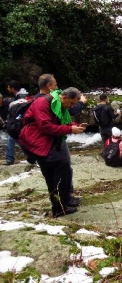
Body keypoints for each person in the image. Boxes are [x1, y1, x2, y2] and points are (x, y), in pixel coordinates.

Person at [18, 87, 87, 218]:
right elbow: (45, 126)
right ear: (64, 97)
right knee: (58, 168)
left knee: (60, 169)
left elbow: (64, 120)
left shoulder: (60, 104)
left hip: (48, 140)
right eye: (72, 103)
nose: (71, 107)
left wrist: (74, 125)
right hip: (36, 141)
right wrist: (69, 130)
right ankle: (60, 206)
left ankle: (63, 203)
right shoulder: (42, 102)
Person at [5, 80, 28, 165]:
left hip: (21, 123)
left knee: (15, 139)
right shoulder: (21, 96)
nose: (7, 88)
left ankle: (10, 159)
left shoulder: (21, 98)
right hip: (21, 122)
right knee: (15, 139)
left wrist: (17, 121)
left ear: (12, 88)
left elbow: (21, 110)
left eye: (8, 87)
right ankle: (10, 159)